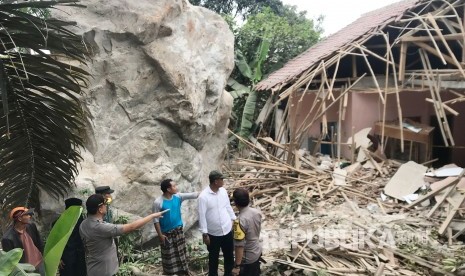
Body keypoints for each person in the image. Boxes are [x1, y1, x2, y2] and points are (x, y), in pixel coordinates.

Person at [80, 194, 165, 276]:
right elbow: (131, 227)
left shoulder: (83, 224)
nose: (106, 206)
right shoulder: (100, 227)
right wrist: (153, 216)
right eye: (105, 204)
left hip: (92, 268)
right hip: (105, 270)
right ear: (100, 209)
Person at [153, 179, 199, 275]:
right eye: (174, 186)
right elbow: (155, 220)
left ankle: (184, 271)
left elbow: (194, 194)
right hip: (166, 233)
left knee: (181, 252)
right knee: (169, 256)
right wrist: (160, 235)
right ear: (168, 189)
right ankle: (170, 273)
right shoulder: (158, 202)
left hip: (178, 231)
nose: (176, 187)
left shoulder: (178, 196)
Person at [198, 170, 236, 276]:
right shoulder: (203, 197)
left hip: (227, 229)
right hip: (213, 234)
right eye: (221, 179)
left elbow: (227, 206)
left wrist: (233, 219)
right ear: (215, 181)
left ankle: (228, 274)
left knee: (229, 255)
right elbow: (201, 216)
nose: (223, 181)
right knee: (213, 258)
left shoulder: (223, 191)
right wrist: (205, 234)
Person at [1, 207, 45, 276]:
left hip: (39, 263)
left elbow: (39, 243)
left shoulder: (31, 226)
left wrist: (45, 255)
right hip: (26, 270)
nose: (29, 216)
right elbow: (10, 260)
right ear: (19, 218)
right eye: (27, 215)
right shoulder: (7, 238)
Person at [231, 188, 262, 276]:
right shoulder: (257, 213)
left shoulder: (240, 221)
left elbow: (239, 246)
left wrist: (237, 266)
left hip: (247, 259)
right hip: (256, 252)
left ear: (235, 203)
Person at [53, 198, 86, 276]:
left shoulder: (82, 221)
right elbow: (55, 242)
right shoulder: (58, 224)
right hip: (66, 260)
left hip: (80, 258)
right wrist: (58, 259)